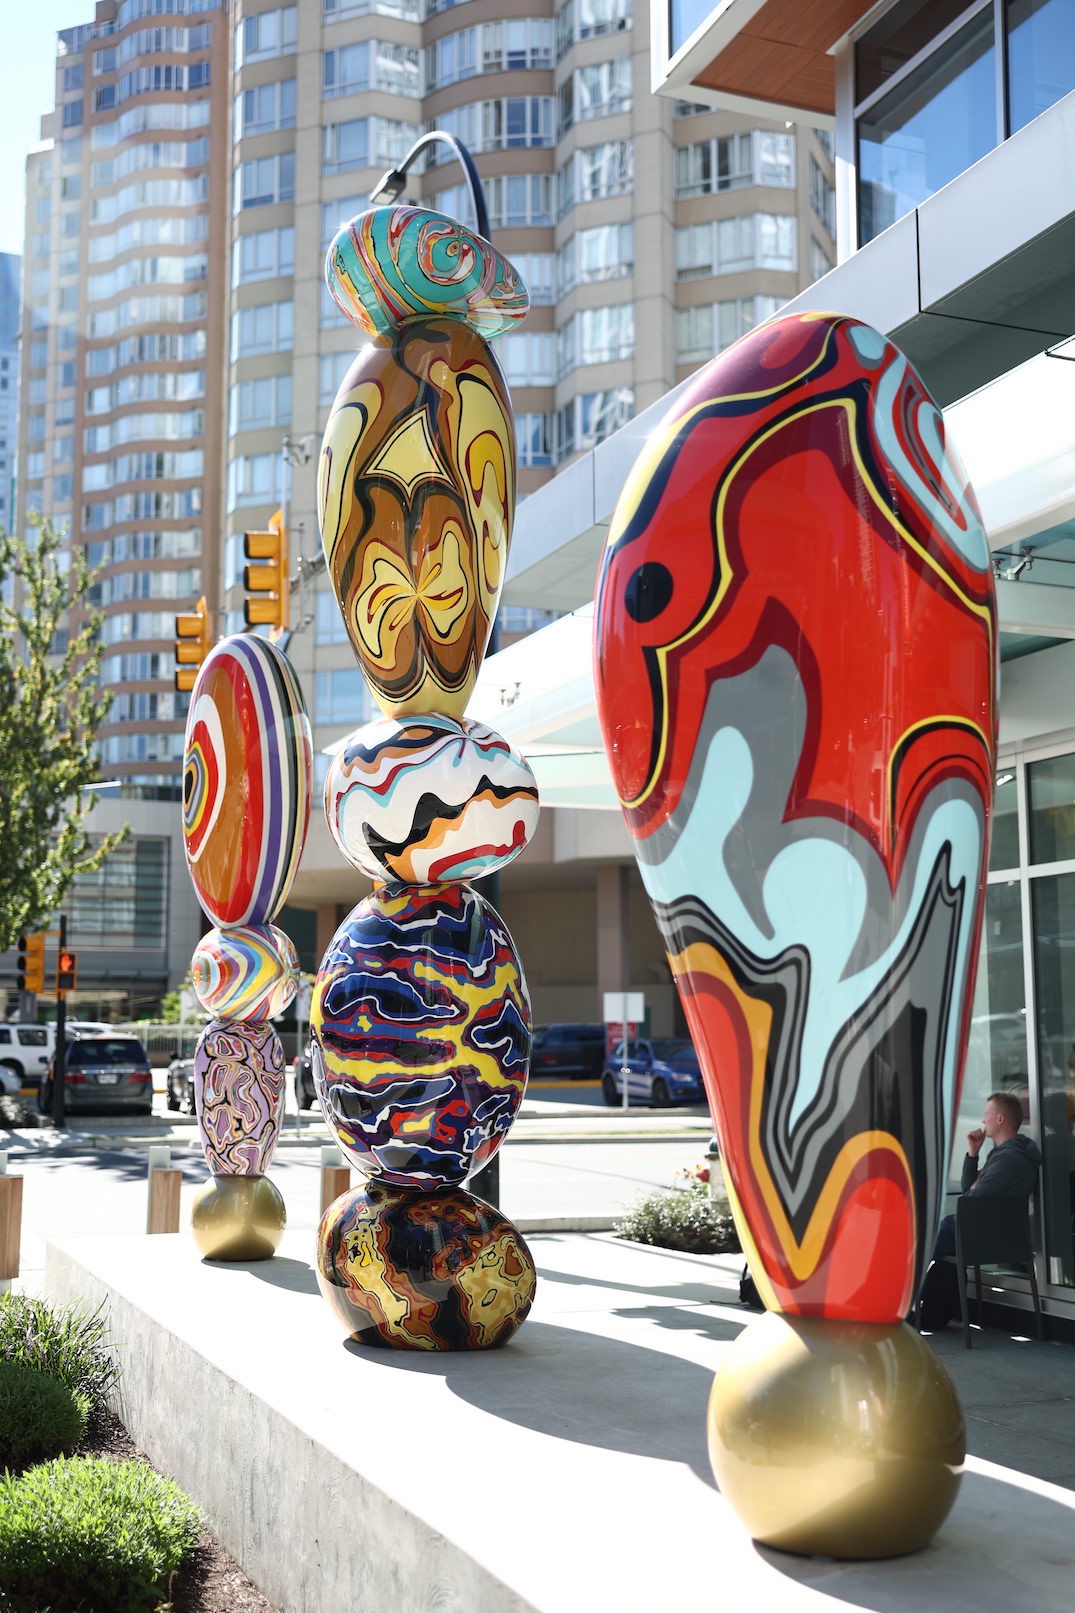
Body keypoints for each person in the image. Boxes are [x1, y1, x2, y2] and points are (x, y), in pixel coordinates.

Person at [918, 1091, 1041, 1328]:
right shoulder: (1003, 1155)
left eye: (987, 1115)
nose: (983, 1121)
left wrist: (975, 1184)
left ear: (1000, 1119)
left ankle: (898, 1302)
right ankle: (930, 1315)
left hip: (985, 1238)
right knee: (938, 1248)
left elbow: (970, 1198)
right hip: (984, 1233)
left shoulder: (1010, 1160)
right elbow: (969, 1189)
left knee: (921, 1244)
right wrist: (973, 1154)